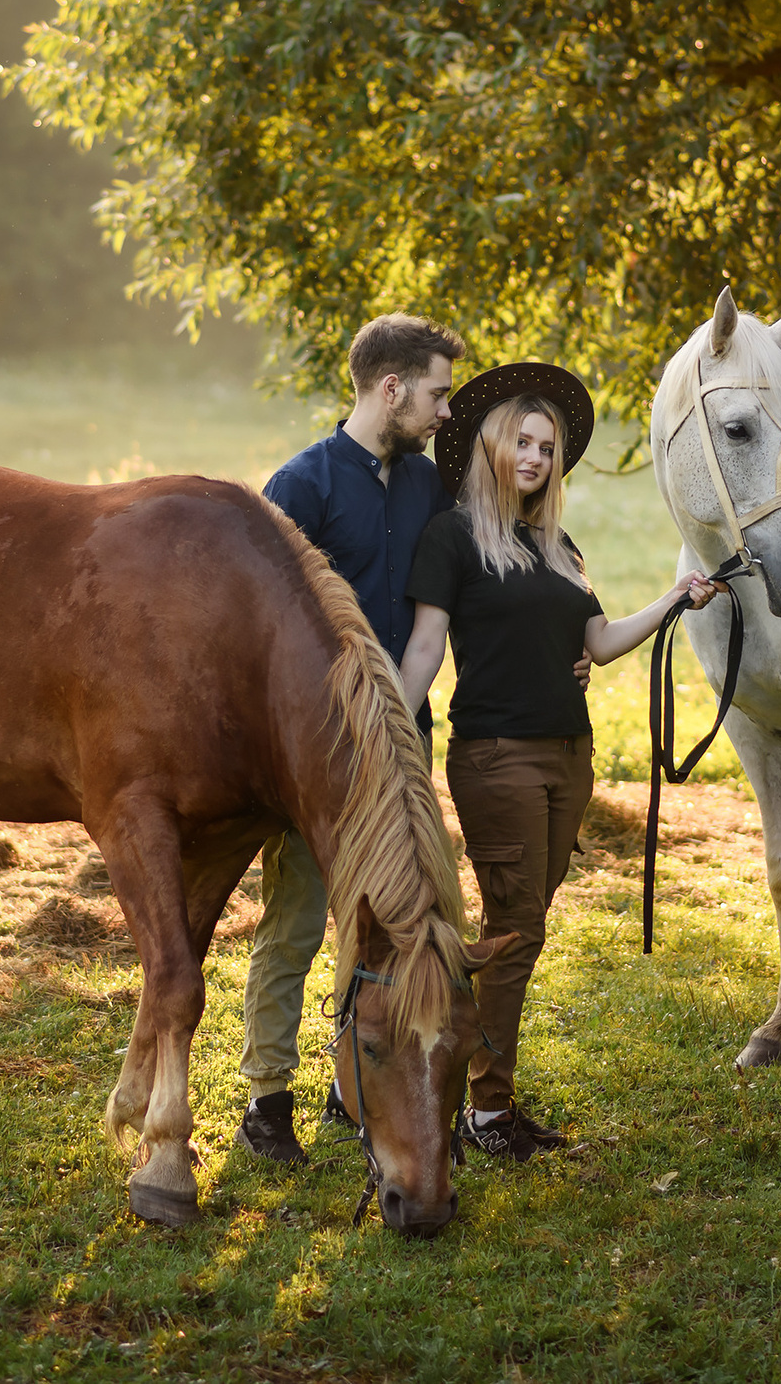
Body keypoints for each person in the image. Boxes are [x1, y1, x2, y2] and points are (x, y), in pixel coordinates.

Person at [398, 366, 724, 1161]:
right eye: (524, 441)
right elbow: (427, 643)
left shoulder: (559, 546)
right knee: (517, 929)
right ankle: (483, 1106)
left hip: (567, 757)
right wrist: (395, 726)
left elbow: (600, 642)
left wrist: (678, 596)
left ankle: (470, 1082)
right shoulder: (453, 535)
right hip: (497, 756)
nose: (538, 456)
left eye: (548, 446)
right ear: (494, 447)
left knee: (517, 931)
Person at [240, 314, 480, 1164]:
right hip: (317, 767)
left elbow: (440, 608)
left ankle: (363, 1087)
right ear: (392, 387)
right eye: (438, 393)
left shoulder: (426, 486)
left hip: (402, 761)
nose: (446, 412)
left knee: (402, 933)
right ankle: (267, 1098)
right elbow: (257, 632)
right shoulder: (300, 487)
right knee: (299, 923)